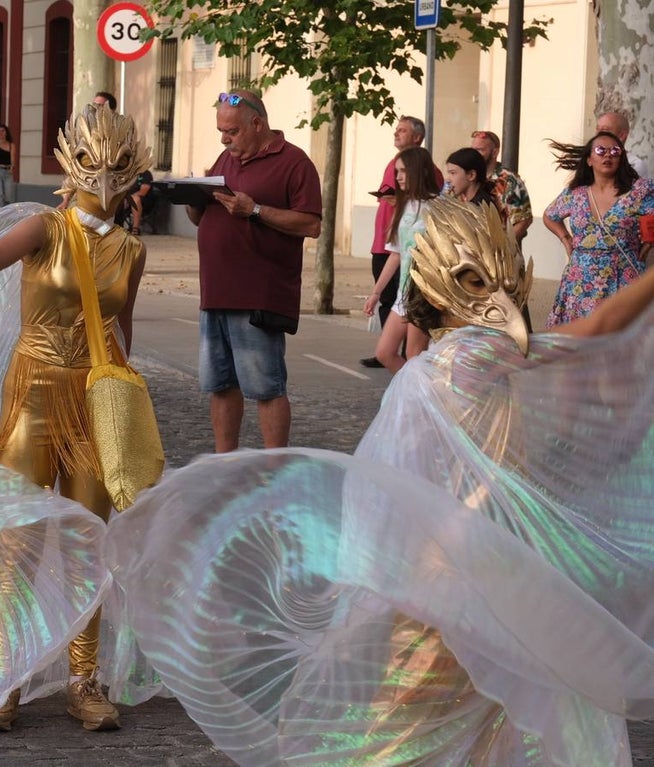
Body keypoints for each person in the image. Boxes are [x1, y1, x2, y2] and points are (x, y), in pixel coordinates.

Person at [106, 196, 654, 765]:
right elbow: (599, 328)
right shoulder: (470, 361)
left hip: (440, 568)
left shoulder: (429, 370)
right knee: (445, 707)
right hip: (465, 570)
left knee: (445, 708)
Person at [0, 104, 152, 732]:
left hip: (95, 395)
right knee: (15, 538)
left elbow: (122, 326)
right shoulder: (45, 228)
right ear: (72, 166)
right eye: (94, 165)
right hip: (35, 393)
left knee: (88, 540)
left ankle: (84, 680)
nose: (105, 179)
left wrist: (126, 396)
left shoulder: (131, 250)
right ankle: (6, 679)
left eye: (117, 167)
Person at [187, 89, 321, 451]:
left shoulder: (294, 162)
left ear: (257, 124)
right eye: (221, 131)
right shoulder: (225, 159)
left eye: (232, 131)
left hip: (257, 296)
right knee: (220, 385)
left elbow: (311, 224)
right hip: (215, 292)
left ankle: (274, 466)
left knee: (265, 387)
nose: (224, 139)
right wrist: (193, 199)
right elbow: (204, 220)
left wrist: (256, 210)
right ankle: (224, 463)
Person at [544, 130, 653, 327]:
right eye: (601, 150)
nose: (608, 155)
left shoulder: (638, 191)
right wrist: (565, 238)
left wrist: (650, 238)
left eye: (615, 151)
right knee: (579, 339)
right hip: (580, 282)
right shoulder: (575, 194)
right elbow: (550, 216)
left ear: (622, 158)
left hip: (623, 277)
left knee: (620, 338)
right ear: (589, 160)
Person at [360, 115, 440, 369]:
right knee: (385, 353)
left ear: (418, 171)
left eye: (403, 172)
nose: (399, 177)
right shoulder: (404, 206)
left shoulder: (436, 208)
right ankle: (412, 389)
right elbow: (395, 254)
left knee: (414, 356)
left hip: (424, 294)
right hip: (403, 293)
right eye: (397, 172)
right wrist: (376, 292)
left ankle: (417, 392)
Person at [470, 129, 533, 242]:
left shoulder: (509, 180)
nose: (474, 155)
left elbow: (523, 220)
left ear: (495, 152)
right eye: (472, 150)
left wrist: (504, 247)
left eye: (480, 150)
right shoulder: (468, 177)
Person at [443, 146, 501, 211]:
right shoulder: (470, 202)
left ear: (471, 175)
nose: (448, 180)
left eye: (453, 173)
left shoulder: (480, 207)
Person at [598, 110, 649, 178]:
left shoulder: (634, 165)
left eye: (604, 130)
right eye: (597, 129)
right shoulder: (592, 159)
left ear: (621, 135)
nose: (598, 134)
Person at [115, 168, 153, 235]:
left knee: (135, 199)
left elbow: (143, 191)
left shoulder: (145, 173)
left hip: (142, 201)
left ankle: (135, 228)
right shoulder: (124, 174)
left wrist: (129, 198)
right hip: (126, 199)